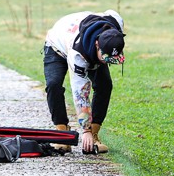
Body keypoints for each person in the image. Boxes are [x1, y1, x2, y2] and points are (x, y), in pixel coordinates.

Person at [42, 10, 126, 153]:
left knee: (105, 85)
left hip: (88, 48)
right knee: (53, 85)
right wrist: (84, 129)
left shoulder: (115, 24)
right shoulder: (78, 54)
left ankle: (95, 134)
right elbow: (81, 93)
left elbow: (112, 14)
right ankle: (62, 134)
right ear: (97, 44)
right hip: (57, 46)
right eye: (106, 58)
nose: (108, 62)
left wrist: (90, 132)